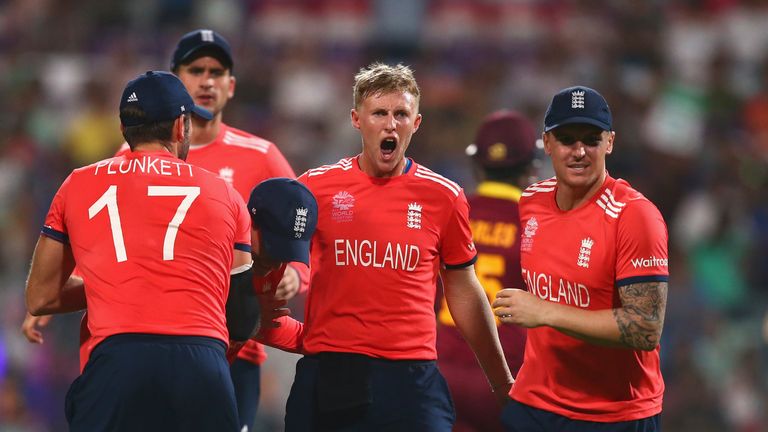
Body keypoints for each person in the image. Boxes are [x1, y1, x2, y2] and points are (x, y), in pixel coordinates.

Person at [21, 29, 304, 430]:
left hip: (116, 362)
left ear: (124, 131)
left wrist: (119, 282)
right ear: (179, 127)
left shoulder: (79, 183)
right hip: (202, 365)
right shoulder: (224, 193)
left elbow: (40, 296)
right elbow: (242, 318)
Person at [257, 62, 513, 431]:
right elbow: (275, 260)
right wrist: (277, 317)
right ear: (356, 119)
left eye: (401, 114)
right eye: (379, 113)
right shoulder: (315, 189)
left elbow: (463, 288)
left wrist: (501, 381)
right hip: (331, 370)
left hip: (411, 376)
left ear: (416, 123)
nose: (390, 124)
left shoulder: (444, 196)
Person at [492, 86, 669, 431]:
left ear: (610, 143)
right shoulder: (529, 202)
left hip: (613, 415)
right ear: (546, 143)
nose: (579, 151)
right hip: (535, 405)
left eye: (591, 139)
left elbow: (646, 326)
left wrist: (545, 311)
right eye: (566, 139)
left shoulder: (634, 216)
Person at [436, 110, 538, 432]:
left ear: (477, 165)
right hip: (504, 380)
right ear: (532, 168)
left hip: (437, 373)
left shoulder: (446, 212)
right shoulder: (540, 225)